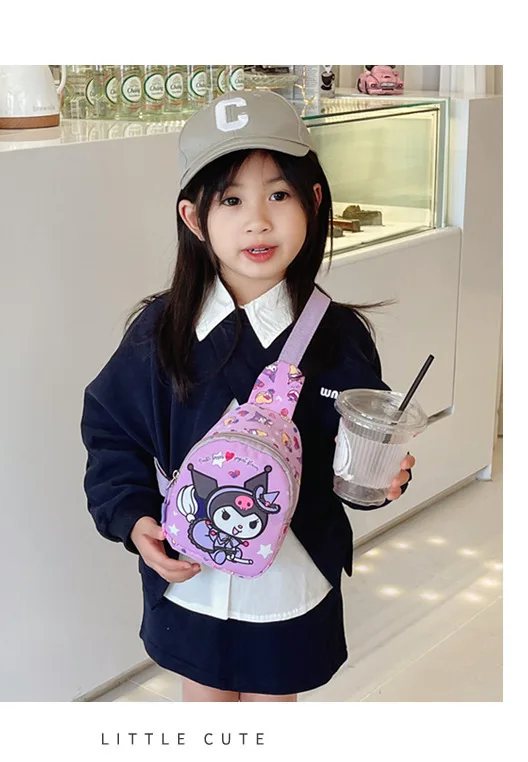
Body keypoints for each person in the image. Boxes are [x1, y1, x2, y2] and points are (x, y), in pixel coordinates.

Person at [80, 90, 415, 702]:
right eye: (231, 200)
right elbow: (112, 434)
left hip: (292, 583)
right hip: (191, 581)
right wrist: (134, 520)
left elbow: (358, 458)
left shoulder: (339, 336)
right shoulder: (160, 331)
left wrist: (380, 475)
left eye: (279, 195)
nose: (258, 220)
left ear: (315, 201)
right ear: (193, 218)